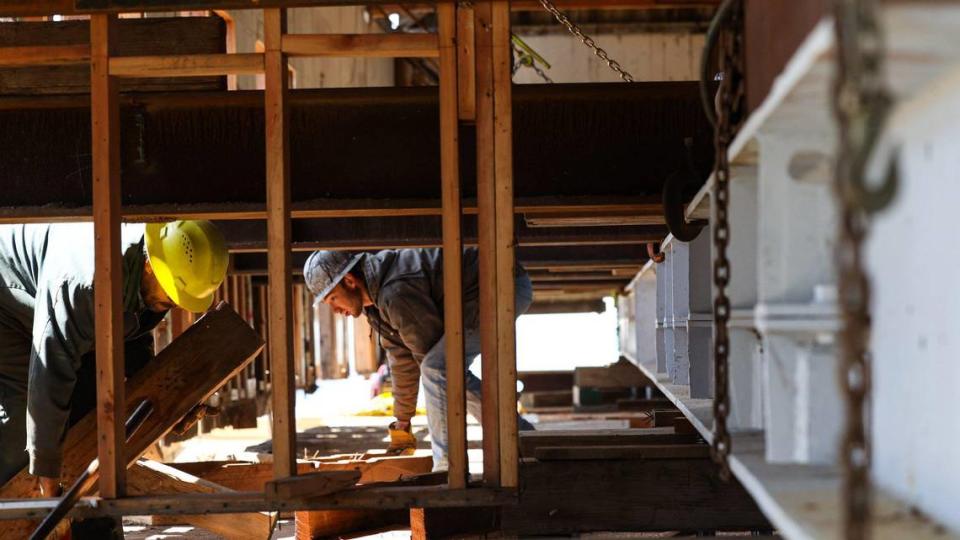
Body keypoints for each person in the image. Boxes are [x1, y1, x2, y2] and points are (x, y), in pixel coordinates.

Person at [0, 220, 228, 501]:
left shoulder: (150, 278)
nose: (178, 305)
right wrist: (48, 481)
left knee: (86, 421)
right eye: (173, 296)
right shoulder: (84, 282)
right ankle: (12, 518)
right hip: (7, 304)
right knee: (21, 427)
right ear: (150, 265)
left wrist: (168, 397)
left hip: (65, 311)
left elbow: (130, 331)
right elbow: (51, 373)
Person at [303, 248, 533, 471]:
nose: (334, 310)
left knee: (438, 368)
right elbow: (402, 359)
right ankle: (525, 438)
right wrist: (403, 419)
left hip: (501, 284)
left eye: (333, 298)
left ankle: (449, 467)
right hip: (483, 289)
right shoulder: (375, 305)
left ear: (350, 281)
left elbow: (433, 365)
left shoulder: (395, 292)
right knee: (439, 369)